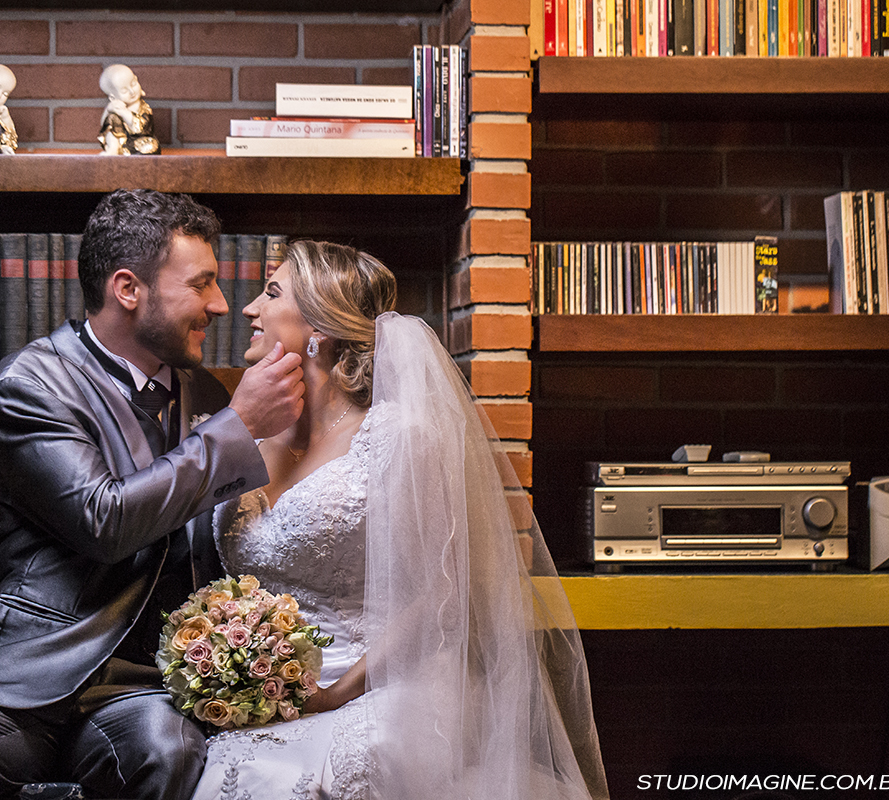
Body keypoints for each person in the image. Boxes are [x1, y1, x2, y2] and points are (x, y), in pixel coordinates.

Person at [0, 189, 305, 800]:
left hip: (144, 685)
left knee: (169, 755)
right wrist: (241, 426)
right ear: (128, 289)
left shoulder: (205, 393)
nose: (221, 304)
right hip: (29, 673)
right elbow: (103, 520)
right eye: (201, 284)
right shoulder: (30, 384)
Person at [190, 240, 610, 800]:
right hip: (261, 686)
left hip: (382, 682)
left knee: (329, 770)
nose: (249, 309)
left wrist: (336, 693)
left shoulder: (398, 436)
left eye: (271, 293)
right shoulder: (241, 434)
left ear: (320, 326)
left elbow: (442, 590)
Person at [98, 64, 160, 155]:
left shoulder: (144, 108)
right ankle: (113, 149)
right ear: (113, 97)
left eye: (133, 84)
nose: (132, 92)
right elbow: (104, 126)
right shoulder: (116, 111)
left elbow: (141, 129)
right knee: (111, 118)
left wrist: (125, 113)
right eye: (124, 91)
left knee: (151, 146)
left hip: (143, 143)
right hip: (124, 145)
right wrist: (108, 110)